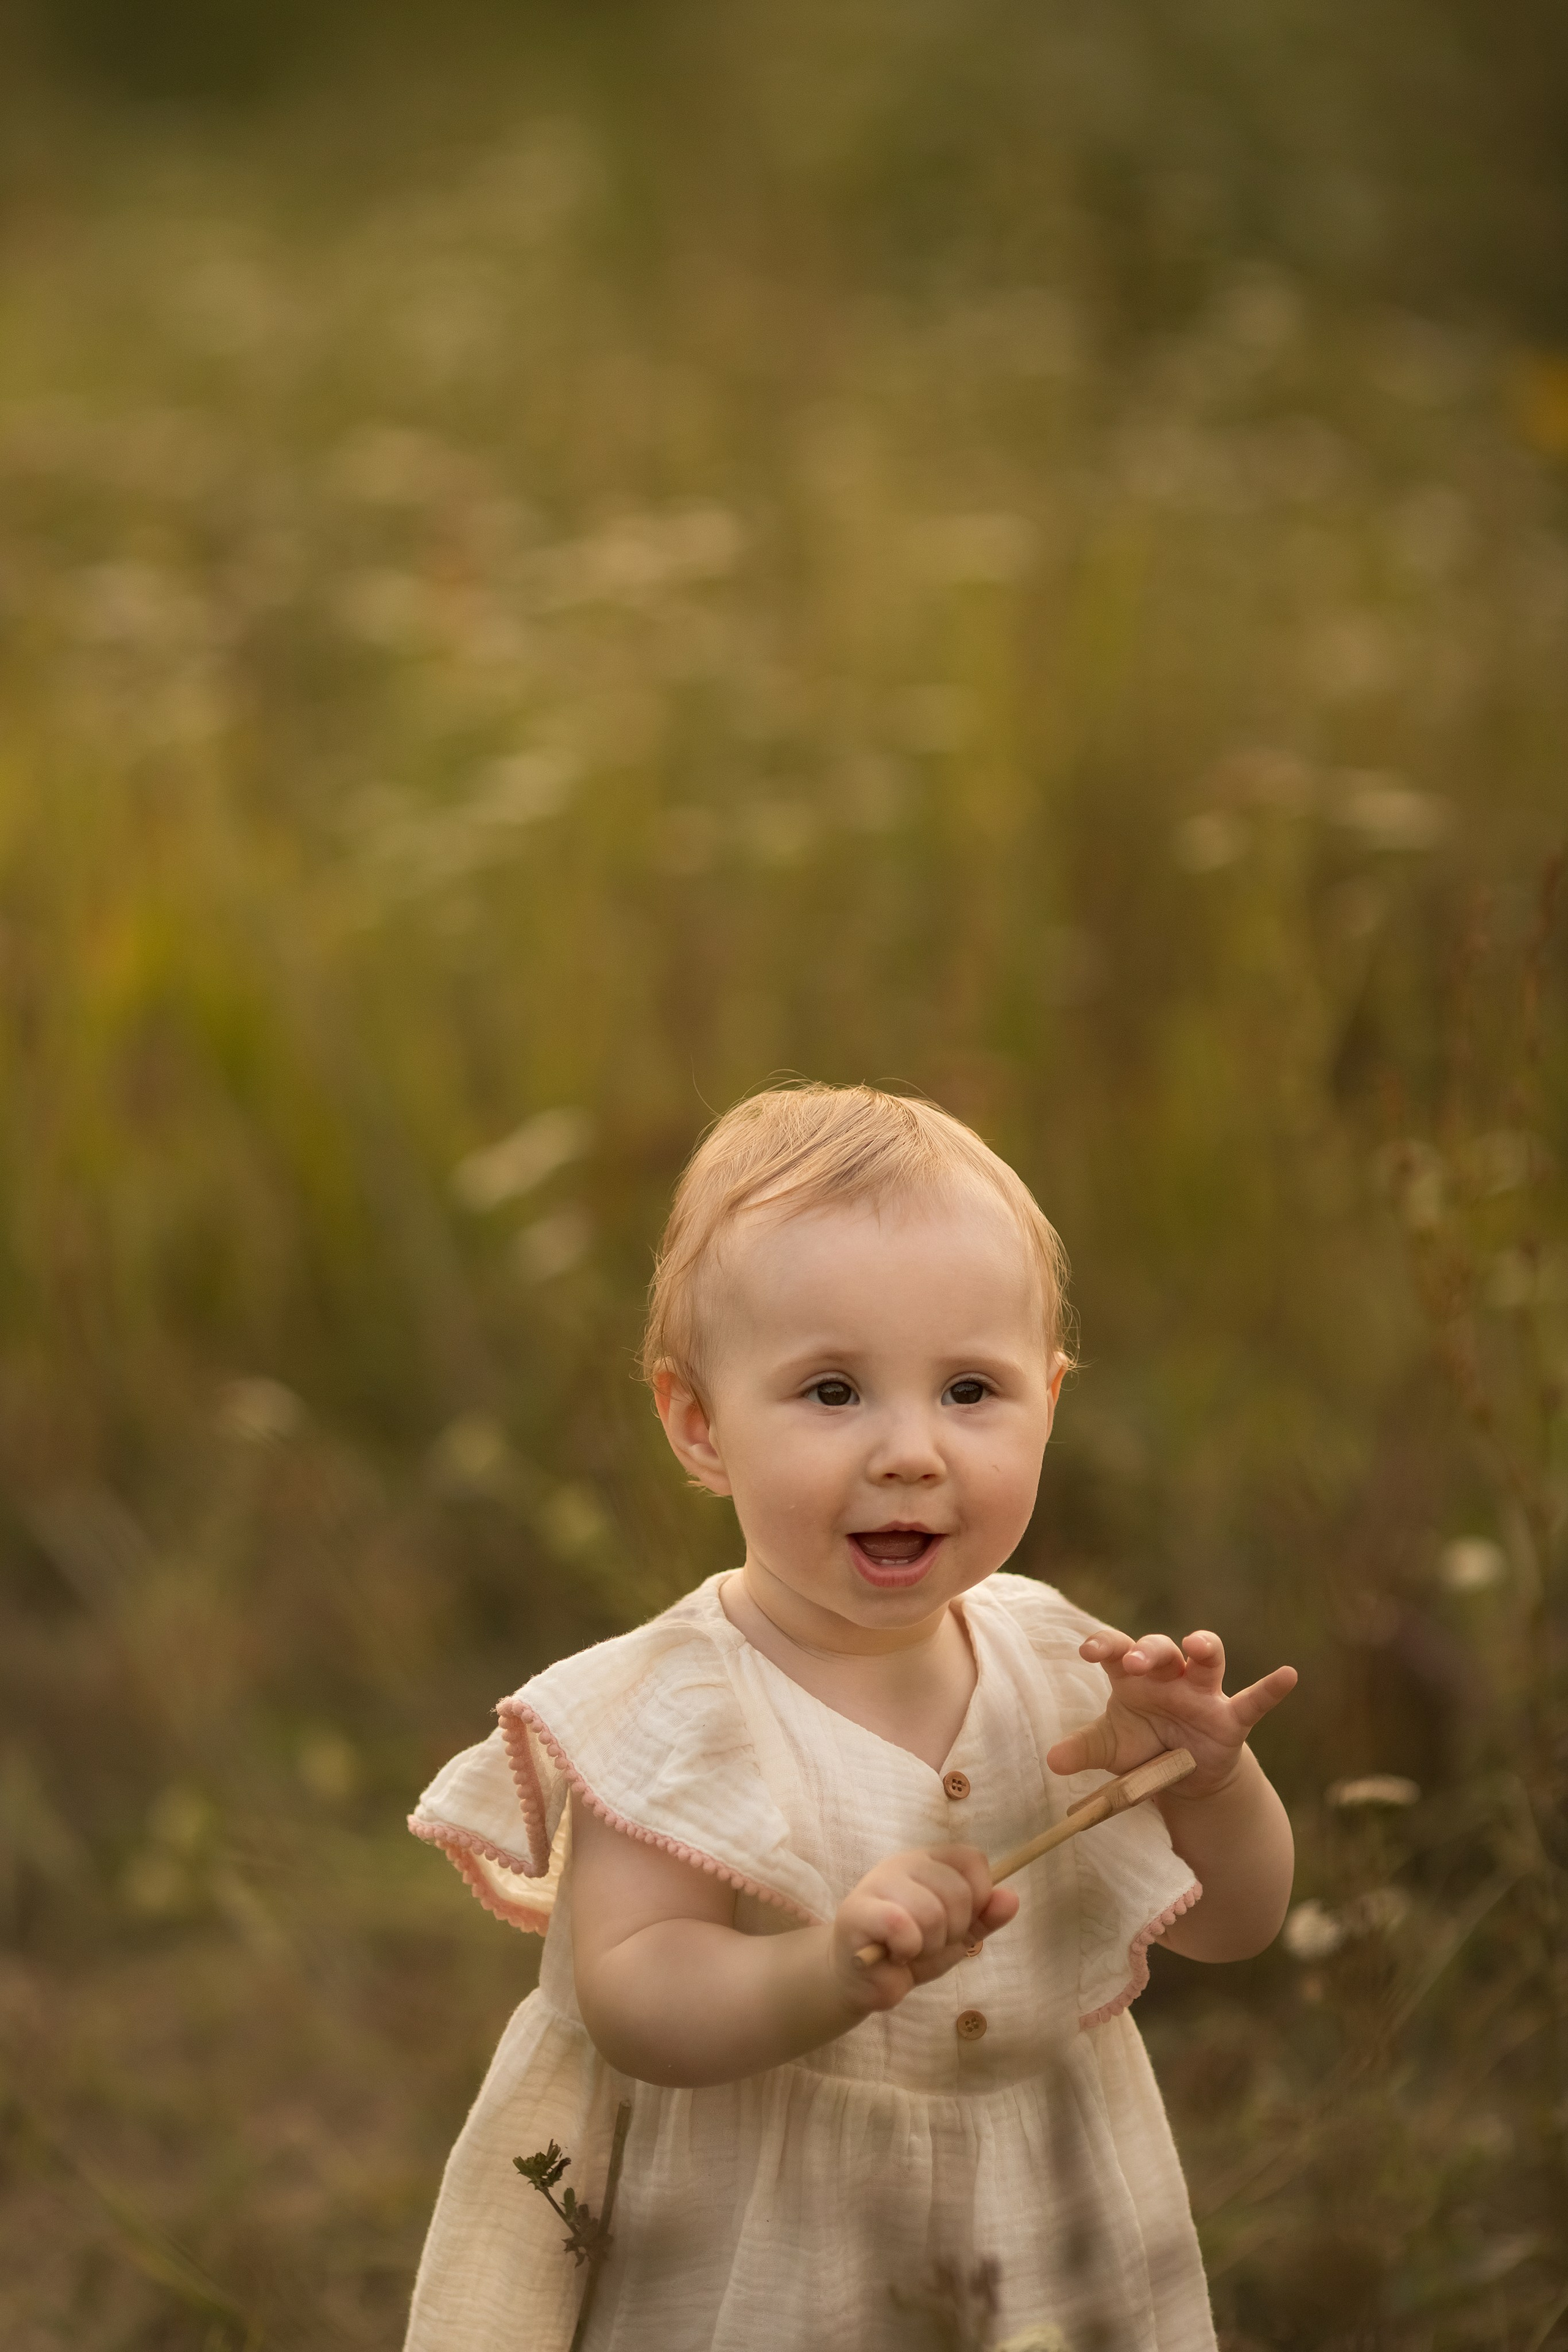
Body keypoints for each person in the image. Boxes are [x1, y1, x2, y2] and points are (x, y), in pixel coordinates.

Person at [404, 1084, 1297, 2351]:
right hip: (765, 2246)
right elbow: (633, 1995)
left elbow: (1236, 1925)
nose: (910, 1451)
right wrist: (820, 1970)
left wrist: (1209, 1784)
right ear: (700, 1426)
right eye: (832, 1392)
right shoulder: (681, 1708)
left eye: (970, 1391)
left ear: (1048, 1402)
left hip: (1041, 2233)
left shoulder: (1062, 1666)